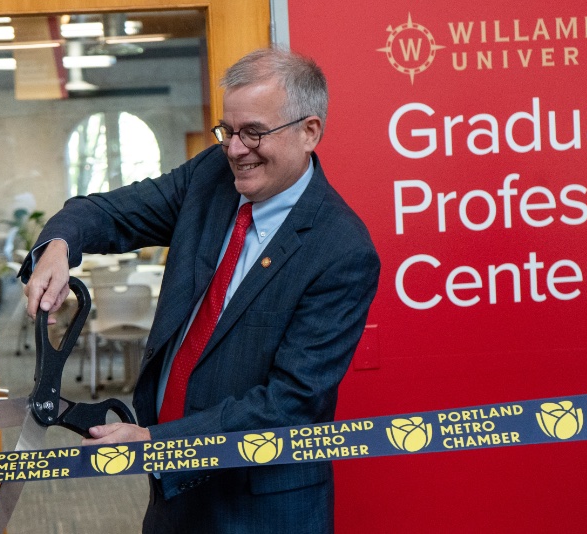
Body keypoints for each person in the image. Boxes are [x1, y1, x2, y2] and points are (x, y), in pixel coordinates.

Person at [19, 47, 380, 533]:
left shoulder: (342, 249)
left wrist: (156, 440)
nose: (234, 149)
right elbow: (109, 212)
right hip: (172, 494)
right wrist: (58, 246)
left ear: (309, 131)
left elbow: (290, 402)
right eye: (228, 131)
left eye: (254, 132)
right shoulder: (211, 177)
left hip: (261, 508)